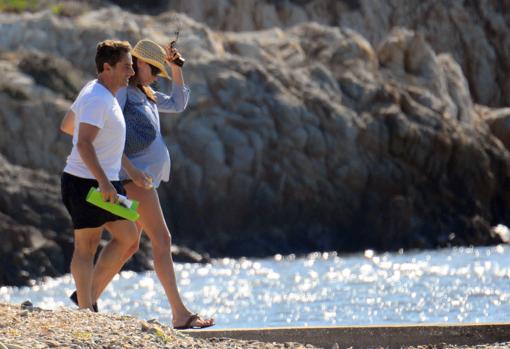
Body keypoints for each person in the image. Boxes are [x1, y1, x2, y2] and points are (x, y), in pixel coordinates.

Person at [61, 39, 214, 329]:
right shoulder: (121, 94)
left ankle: (86, 297)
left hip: (140, 177)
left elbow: (179, 103)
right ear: (139, 64)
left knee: (129, 244)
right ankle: (179, 314)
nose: (155, 76)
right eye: (153, 70)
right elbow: (97, 129)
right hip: (133, 179)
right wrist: (124, 168)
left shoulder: (147, 93)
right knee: (161, 240)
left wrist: (175, 69)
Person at [60, 40, 139, 311]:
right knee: (86, 246)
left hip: (106, 182)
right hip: (86, 183)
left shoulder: (101, 94)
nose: (132, 72)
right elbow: (82, 142)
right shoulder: (96, 97)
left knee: (129, 238)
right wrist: (103, 180)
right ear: (107, 67)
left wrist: (117, 168)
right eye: (126, 67)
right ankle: (85, 311)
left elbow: (68, 125)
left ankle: (86, 297)